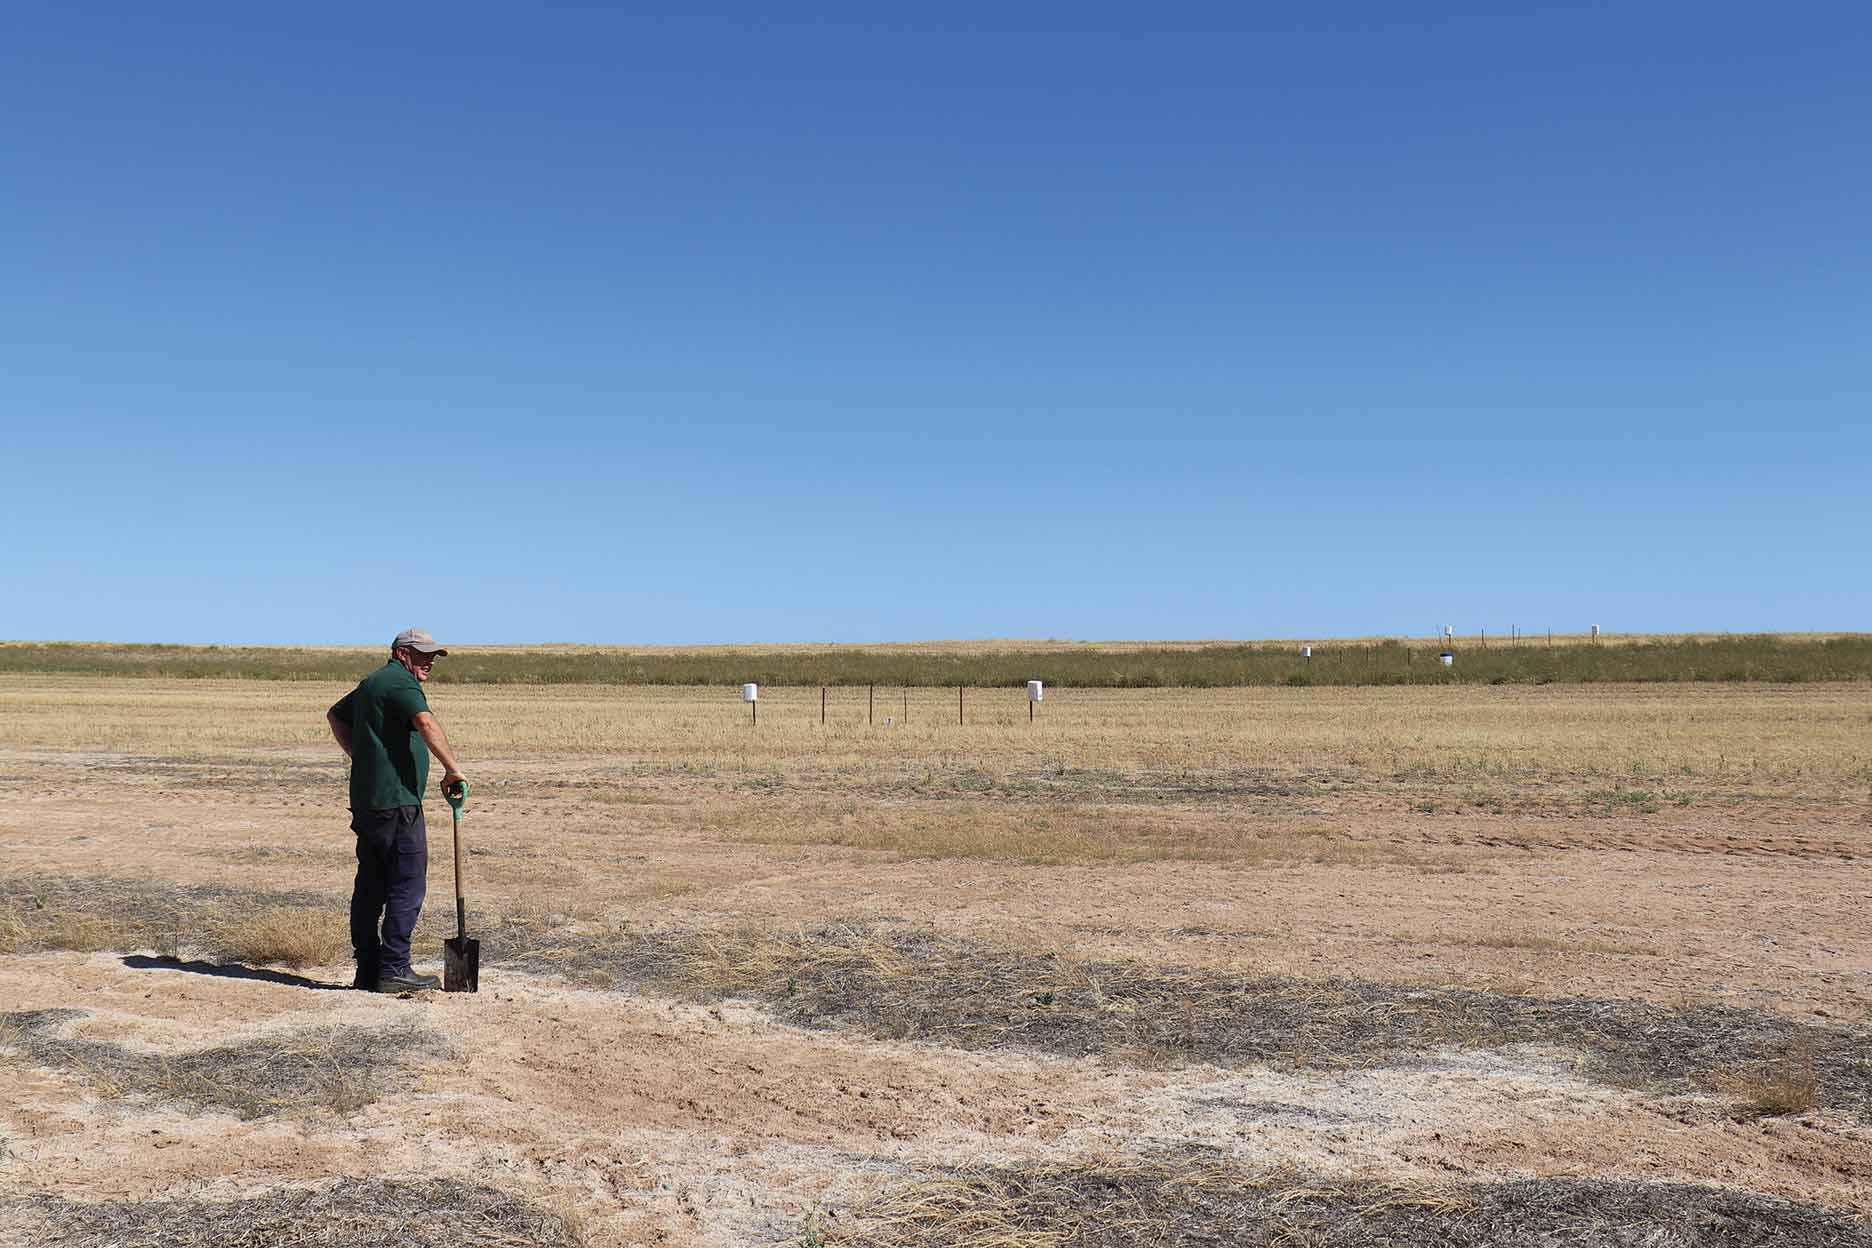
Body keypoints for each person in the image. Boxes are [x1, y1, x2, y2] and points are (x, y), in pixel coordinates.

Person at [326, 628, 469, 992]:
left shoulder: (373, 683)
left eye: (434, 656)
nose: (430, 662)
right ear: (402, 652)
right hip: (398, 804)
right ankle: (394, 968)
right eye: (424, 654)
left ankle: (368, 970)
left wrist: (365, 757)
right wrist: (453, 768)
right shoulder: (401, 683)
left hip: (369, 803)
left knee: (372, 884)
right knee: (407, 882)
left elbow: (336, 716)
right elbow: (425, 722)